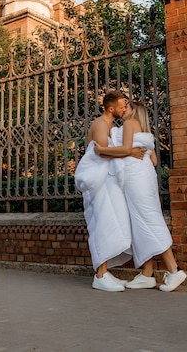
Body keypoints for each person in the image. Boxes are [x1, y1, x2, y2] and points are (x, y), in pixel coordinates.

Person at [95, 100, 187, 292]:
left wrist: (102, 150)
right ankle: (147, 273)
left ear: (134, 111)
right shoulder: (145, 131)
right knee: (141, 221)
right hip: (146, 176)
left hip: (135, 177)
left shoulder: (129, 123)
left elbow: (127, 149)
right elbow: (153, 160)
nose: (124, 108)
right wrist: (134, 152)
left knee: (148, 219)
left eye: (127, 106)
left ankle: (173, 269)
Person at [74, 91, 135, 291]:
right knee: (101, 225)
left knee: (111, 223)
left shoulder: (110, 125)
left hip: (107, 182)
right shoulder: (100, 125)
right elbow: (102, 151)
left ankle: (105, 272)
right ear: (111, 109)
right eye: (121, 106)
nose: (124, 109)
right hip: (98, 183)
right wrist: (129, 150)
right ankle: (100, 275)